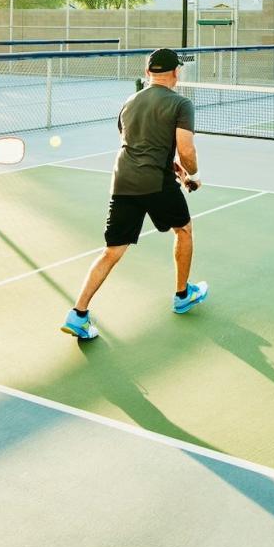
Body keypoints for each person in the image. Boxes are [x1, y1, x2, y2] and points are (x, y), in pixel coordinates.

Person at [61, 48, 206, 341]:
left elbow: (131, 140)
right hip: (155, 181)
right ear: (176, 73)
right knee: (184, 230)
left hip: (123, 179)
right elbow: (187, 149)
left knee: (112, 251)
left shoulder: (129, 101)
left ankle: (78, 314)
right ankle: (182, 295)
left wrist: (169, 164)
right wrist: (192, 174)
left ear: (148, 71)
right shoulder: (181, 104)